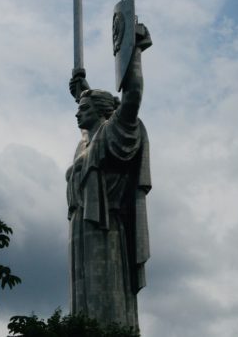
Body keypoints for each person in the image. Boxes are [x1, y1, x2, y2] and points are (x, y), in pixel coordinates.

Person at [66, 24, 152, 330]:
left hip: (106, 229)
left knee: (105, 302)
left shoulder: (113, 133)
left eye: (84, 108)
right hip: (80, 227)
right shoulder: (86, 143)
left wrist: (135, 52)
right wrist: (83, 90)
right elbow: (88, 125)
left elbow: (132, 97)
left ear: (102, 113)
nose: (77, 113)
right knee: (82, 303)